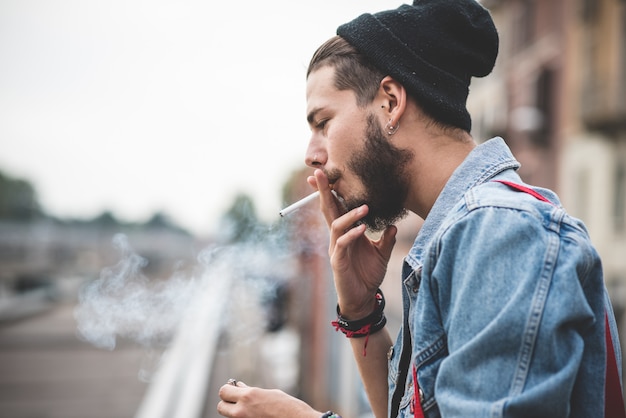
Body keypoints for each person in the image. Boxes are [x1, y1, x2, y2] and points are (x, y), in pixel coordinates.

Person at [217, 0, 624, 417]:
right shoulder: (459, 237)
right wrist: (361, 315)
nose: (312, 155)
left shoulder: (497, 232)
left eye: (323, 123)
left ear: (390, 101)